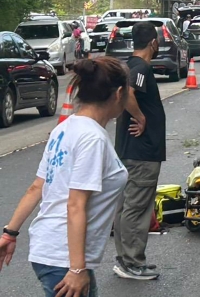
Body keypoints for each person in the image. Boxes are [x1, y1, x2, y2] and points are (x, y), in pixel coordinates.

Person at [0, 58, 133, 297]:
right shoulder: (93, 139)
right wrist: (77, 268)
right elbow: (75, 204)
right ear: (119, 93)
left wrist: (10, 233)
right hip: (65, 257)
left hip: (55, 251)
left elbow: (37, 186)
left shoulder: (65, 128)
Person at [113, 22, 164, 281]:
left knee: (125, 207)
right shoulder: (141, 68)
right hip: (142, 152)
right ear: (153, 42)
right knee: (137, 208)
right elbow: (128, 93)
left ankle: (125, 259)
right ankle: (132, 263)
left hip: (128, 149)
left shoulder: (127, 65)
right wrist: (141, 117)